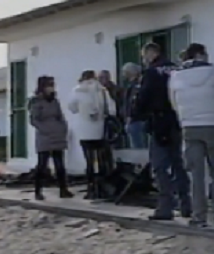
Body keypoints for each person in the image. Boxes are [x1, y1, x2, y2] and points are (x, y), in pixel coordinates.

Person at [169, 43, 214, 227]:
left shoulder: (176, 76)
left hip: (189, 126)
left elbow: (174, 103)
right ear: (201, 54)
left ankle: (199, 216)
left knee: (196, 174)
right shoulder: (213, 72)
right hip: (213, 124)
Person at [133, 42, 192, 220]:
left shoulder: (152, 72)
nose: (144, 61)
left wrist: (136, 114)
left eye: (144, 57)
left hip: (159, 122)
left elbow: (144, 97)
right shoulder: (176, 69)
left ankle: (165, 206)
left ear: (151, 53)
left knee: (160, 166)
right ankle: (186, 204)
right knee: (178, 165)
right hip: (178, 121)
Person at [67, 70, 117, 199]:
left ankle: (91, 187)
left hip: (84, 130)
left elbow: (72, 108)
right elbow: (112, 109)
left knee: (89, 160)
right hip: (99, 129)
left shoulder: (77, 90)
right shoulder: (102, 90)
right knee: (101, 159)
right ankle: (102, 188)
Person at [29, 75, 74, 201]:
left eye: (52, 85)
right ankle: (38, 191)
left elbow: (60, 115)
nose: (51, 88)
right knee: (42, 165)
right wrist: (45, 130)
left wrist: (63, 127)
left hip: (58, 134)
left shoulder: (55, 101)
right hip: (45, 136)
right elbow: (34, 120)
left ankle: (63, 189)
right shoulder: (36, 101)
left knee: (60, 164)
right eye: (49, 85)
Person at [121, 62, 147, 149]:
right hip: (137, 118)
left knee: (137, 145)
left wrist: (129, 116)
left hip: (135, 119)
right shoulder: (135, 85)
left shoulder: (135, 86)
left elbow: (133, 101)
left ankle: (140, 162)